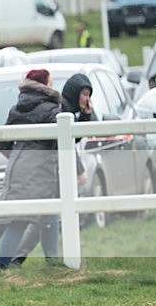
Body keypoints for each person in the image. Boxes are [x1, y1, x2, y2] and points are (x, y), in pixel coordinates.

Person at [0, 69, 86, 276]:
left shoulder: (16, 109)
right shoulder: (52, 111)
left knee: (47, 217)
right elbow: (70, 140)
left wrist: (19, 158)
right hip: (42, 170)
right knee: (28, 219)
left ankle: (50, 263)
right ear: (45, 85)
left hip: (18, 167)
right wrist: (86, 116)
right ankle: (1, 267)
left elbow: (1, 143)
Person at [8, 73, 94, 267]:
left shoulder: (60, 108)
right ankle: (18, 259)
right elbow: (69, 142)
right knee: (43, 218)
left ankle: (42, 260)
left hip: (48, 169)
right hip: (49, 170)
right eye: (84, 94)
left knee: (48, 217)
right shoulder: (59, 110)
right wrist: (79, 171)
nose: (87, 99)